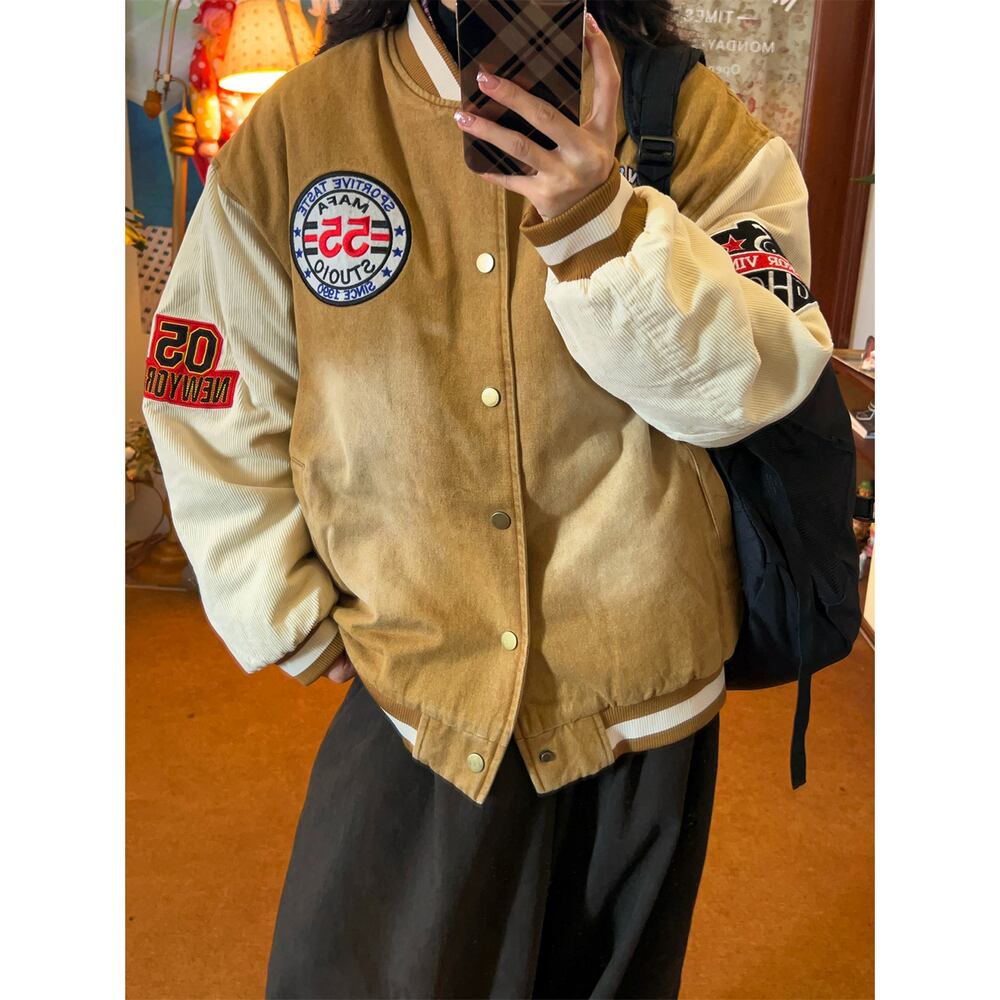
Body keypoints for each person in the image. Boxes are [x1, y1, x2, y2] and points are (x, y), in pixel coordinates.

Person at [141, 0, 833, 996]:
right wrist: (282, 609)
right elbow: (212, 386)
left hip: (644, 686)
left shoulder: (689, 117)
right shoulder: (302, 124)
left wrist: (601, 222)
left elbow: (765, 380)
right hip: (413, 682)